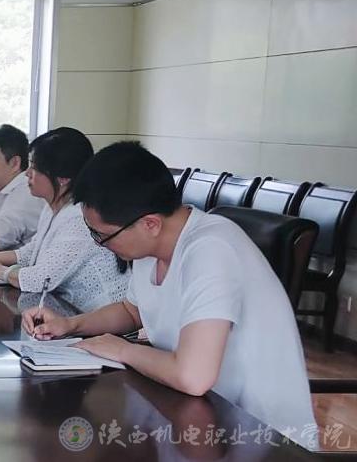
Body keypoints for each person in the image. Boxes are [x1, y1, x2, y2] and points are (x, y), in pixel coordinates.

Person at [22, 142, 316, 449]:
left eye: (103, 235)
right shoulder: (150, 246)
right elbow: (132, 310)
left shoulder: (211, 250)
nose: (100, 244)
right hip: (191, 416)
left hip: (258, 437)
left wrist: (122, 350)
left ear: (150, 223)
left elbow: (193, 377)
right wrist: (71, 325)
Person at [0, 128, 127, 312]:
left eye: (35, 167)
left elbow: (40, 279)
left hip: (101, 319)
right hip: (65, 312)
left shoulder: (79, 218)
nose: (27, 173)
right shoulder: (52, 208)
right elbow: (29, 254)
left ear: (63, 178)